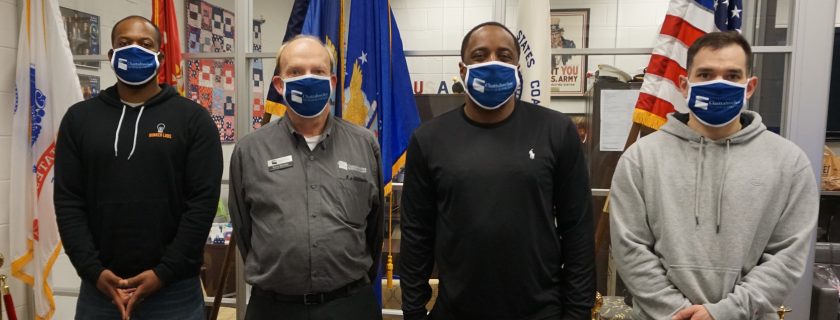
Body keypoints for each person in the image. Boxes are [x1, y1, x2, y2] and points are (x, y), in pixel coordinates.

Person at [609, 31, 819, 320]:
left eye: (732, 76)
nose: (718, 85)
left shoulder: (790, 163)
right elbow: (629, 248)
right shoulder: (640, 159)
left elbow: (787, 257)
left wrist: (723, 313)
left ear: (750, 86)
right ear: (684, 84)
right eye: (706, 74)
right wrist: (678, 312)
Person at [400, 21, 596, 320]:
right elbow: (417, 234)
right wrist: (413, 311)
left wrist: (577, 313)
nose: (492, 63)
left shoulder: (556, 131)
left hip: (541, 311)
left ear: (518, 68)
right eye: (480, 56)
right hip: (456, 311)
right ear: (463, 69)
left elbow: (577, 230)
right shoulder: (429, 139)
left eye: (504, 56)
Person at [55, 15, 223, 320]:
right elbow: (68, 202)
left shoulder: (194, 120)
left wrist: (164, 272)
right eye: (124, 43)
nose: (134, 49)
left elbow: (201, 205)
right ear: (111, 55)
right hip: (100, 292)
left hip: (174, 292)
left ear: (159, 56)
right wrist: (92, 270)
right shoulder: (78, 119)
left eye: (145, 44)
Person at [228, 35, 384, 320]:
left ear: (332, 82)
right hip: (274, 308)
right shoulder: (250, 150)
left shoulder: (364, 145)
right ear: (279, 84)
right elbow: (244, 231)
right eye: (296, 72)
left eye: (318, 71)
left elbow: (374, 230)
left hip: (349, 305)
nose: (308, 78)